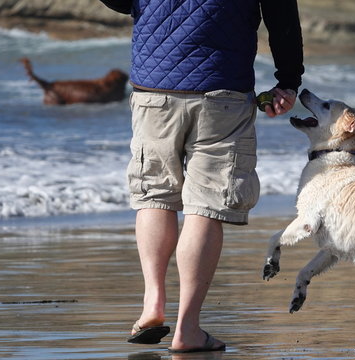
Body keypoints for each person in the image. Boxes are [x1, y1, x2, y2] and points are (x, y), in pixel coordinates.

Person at [123, 0, 304, 353]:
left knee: (155, 195)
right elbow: (281, 14)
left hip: (154, 87)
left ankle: (152, 304)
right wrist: (288, 81)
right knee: (206, 205)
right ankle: (187, 329)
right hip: (222, 89)